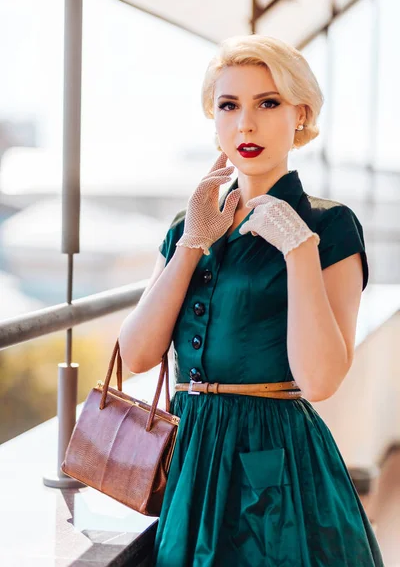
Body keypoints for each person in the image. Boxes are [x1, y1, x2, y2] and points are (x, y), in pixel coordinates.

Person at [119, 34, 384, 566]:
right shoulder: (190, 225)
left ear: (300, 114)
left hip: (276, 458)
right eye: (229, 105)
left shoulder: (329, 226)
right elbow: (135, 356)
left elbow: (322, 381)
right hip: (190, 452)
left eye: (268, 103)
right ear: (213, 119)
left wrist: (299, 250)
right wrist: (193, 244)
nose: (246, 124)